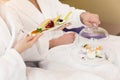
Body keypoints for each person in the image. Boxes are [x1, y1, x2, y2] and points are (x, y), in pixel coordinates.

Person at [0, 15, 106, 80]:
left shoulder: (6, 10)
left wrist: (82, 16)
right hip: (19, 67)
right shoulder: (12, 6)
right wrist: (53, 42)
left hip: (57, 39)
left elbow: (26, 35)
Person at [0, 0, 100, 62]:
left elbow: (66, 12)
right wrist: (54, 43)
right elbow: (21, 45)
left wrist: (82, 16)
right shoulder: (10, 7)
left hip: (71, 39)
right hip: (48, 54)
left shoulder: (45, 1)